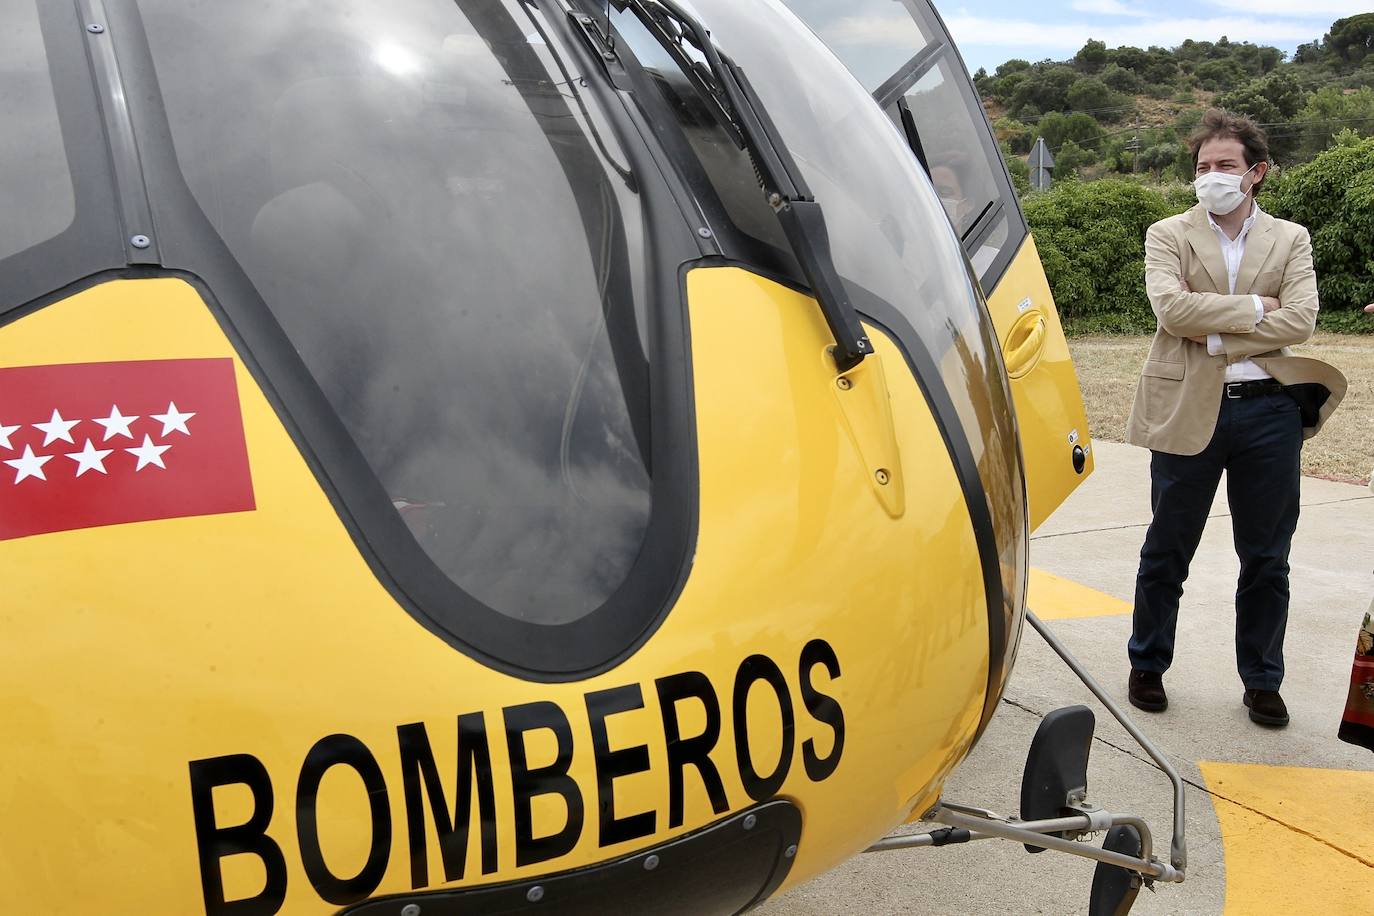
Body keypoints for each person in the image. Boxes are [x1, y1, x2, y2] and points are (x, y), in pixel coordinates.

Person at [1124, 109, 1347, 727]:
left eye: (1225, 165)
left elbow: (1300, 320)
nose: (1212, 176)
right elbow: (1172, 311)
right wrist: (1256, 307)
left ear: (1256, 172)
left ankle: (1263, 680)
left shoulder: (1290, 238)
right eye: (1202, 167)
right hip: (1186, 409)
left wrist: (1218, 337)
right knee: (1168, 546)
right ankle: (1147, 665)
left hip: (1269, 412)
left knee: (1267, 556)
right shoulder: (1168, 233)